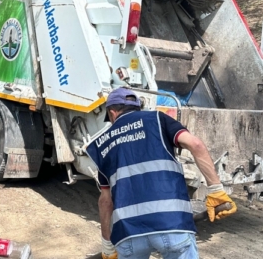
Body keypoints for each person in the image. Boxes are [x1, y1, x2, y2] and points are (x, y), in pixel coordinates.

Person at [86, 87, 236, 259]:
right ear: (137, 107)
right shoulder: (157, 119)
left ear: (112, 113)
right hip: (171, 224)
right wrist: (216, 190)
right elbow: (196, 145)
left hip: (129, 233)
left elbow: (105, 202)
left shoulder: (102, 145)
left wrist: (107, 244)